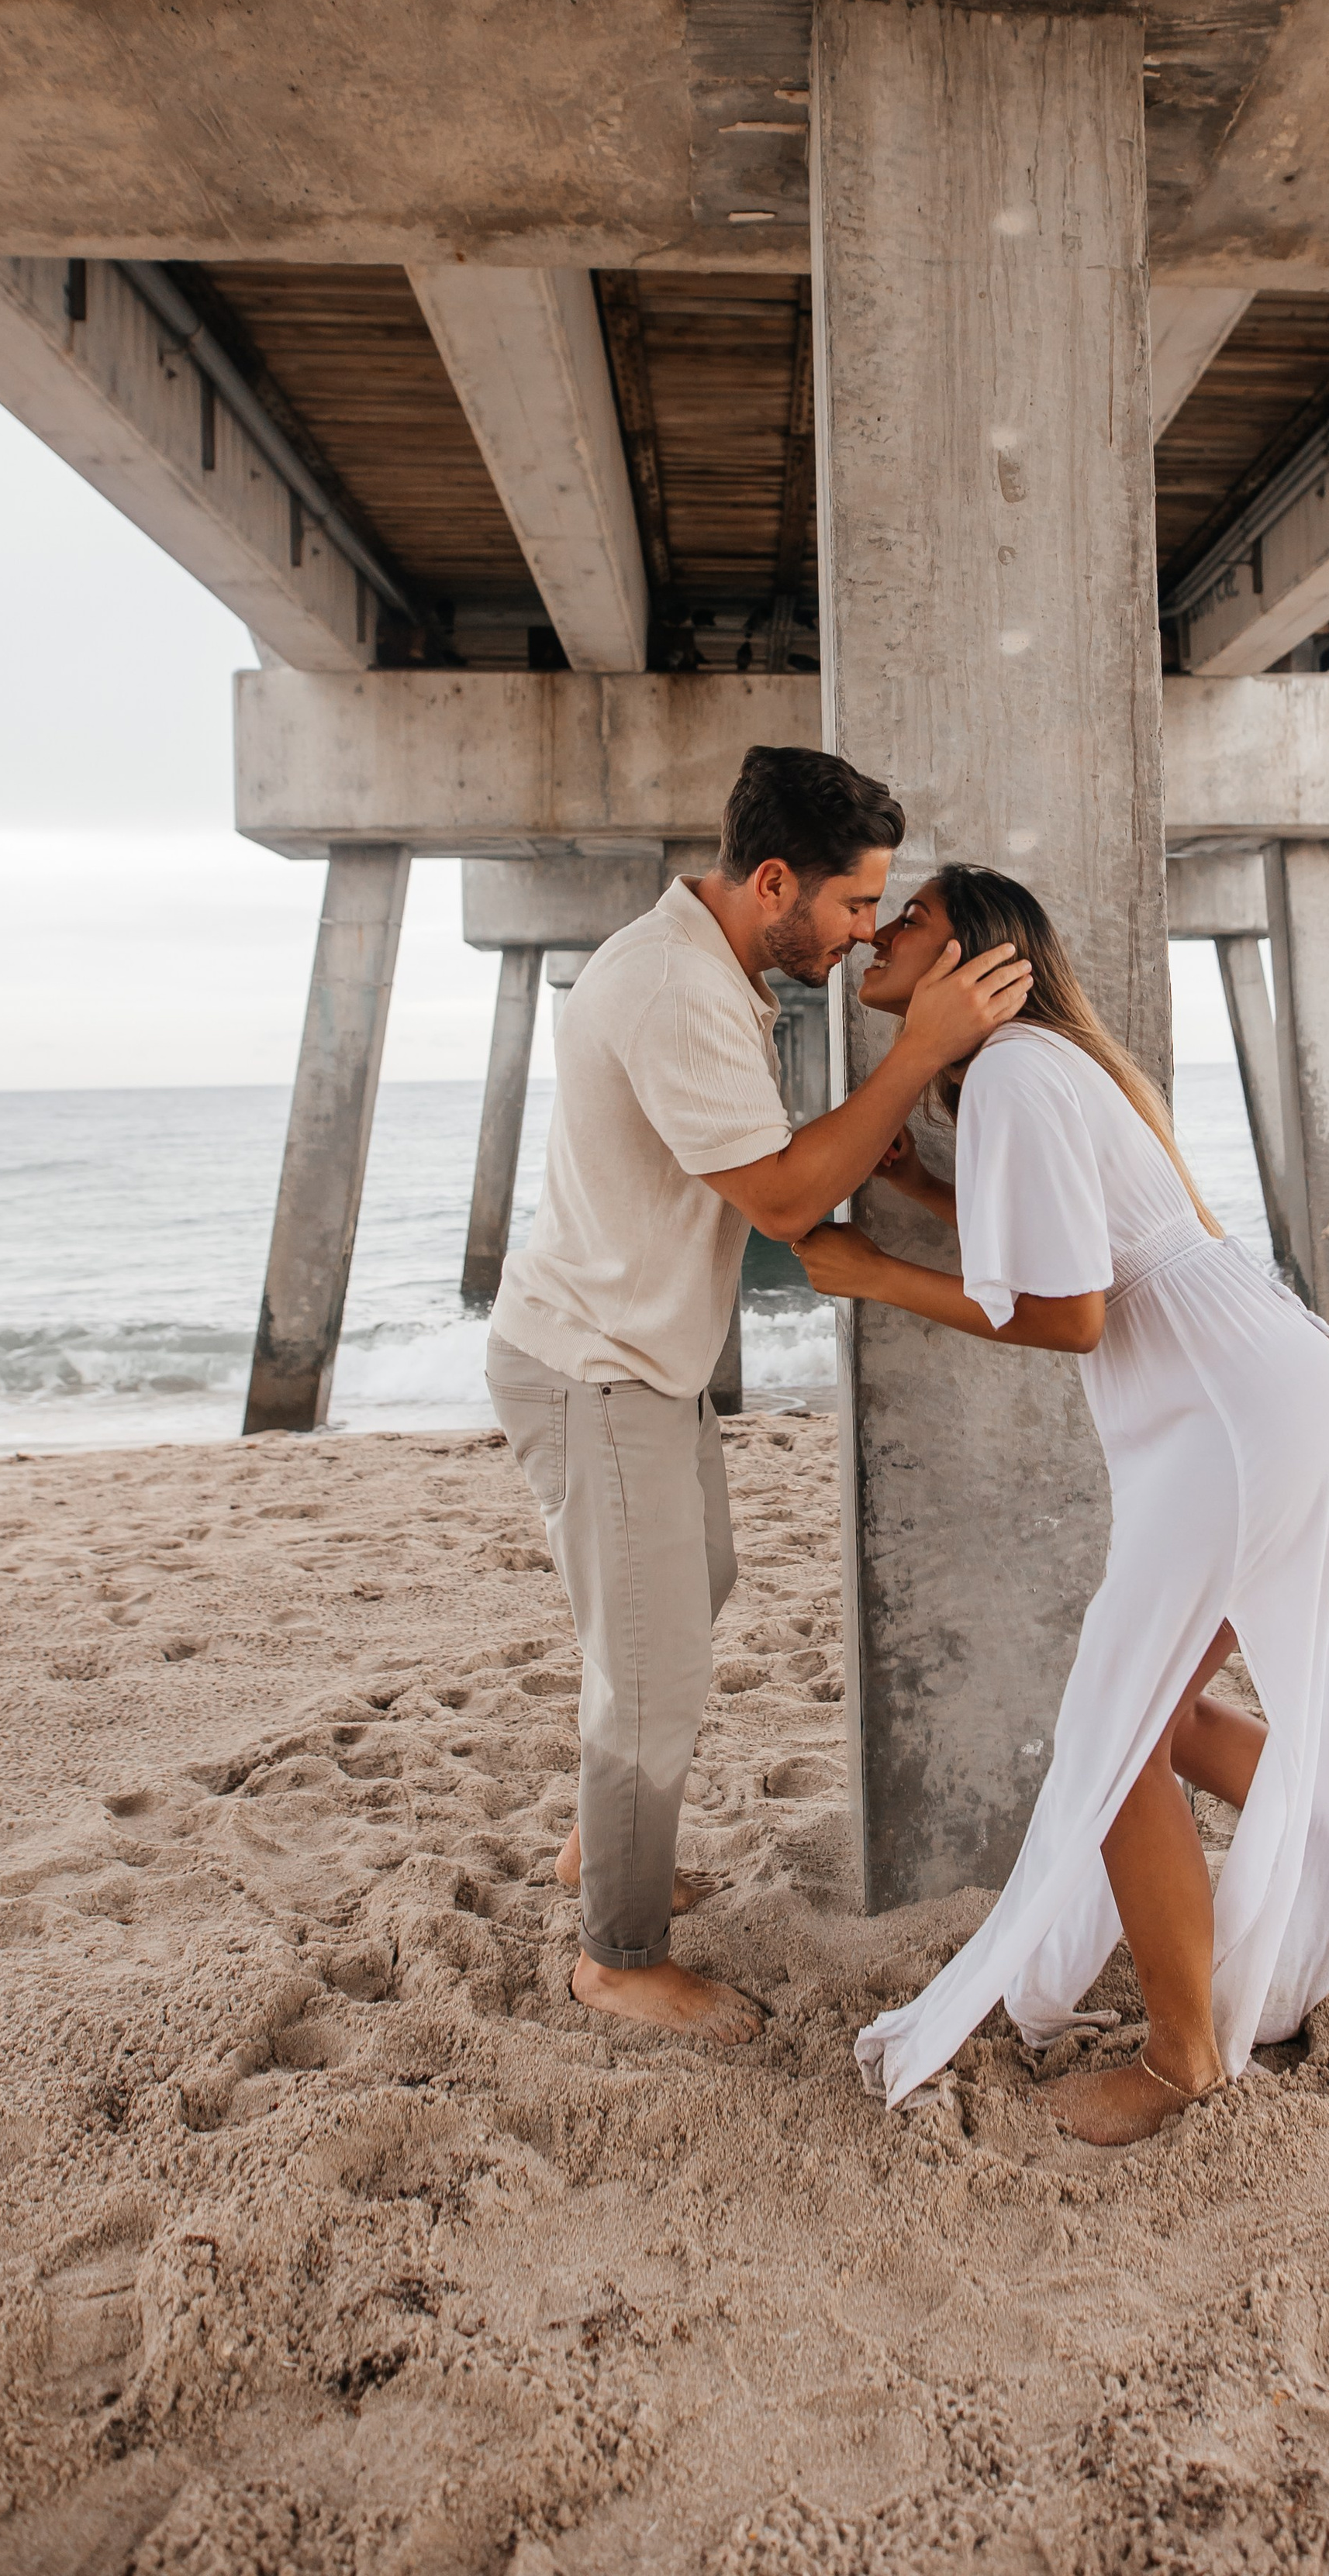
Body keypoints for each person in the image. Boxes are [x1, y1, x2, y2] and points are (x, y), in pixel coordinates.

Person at [793, 864, 1329, 2146]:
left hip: (1221, 1413)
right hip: (1261, 1380)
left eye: (906, 917)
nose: (878, 931)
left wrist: (871, 1272)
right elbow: (1095, 1235)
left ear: (977, 953)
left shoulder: (1021, 1073)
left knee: (1126, 1732)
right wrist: (927, 1195)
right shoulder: (1041, 1069)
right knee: (1166, 1707)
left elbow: (1077, 1314)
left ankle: (1185, 2056)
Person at [486, 752, 1033, 2043]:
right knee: (656, 1666)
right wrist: (926, 1054)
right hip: (595, 1367)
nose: (864, 935)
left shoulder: (714, 964)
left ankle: (596, 1842)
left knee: (696, 1589)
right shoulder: (677, 988)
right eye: (854, 907)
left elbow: (777, 1165)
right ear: (774, 880)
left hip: (637, 1359)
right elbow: (787, 1202)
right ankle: (617, 1956)